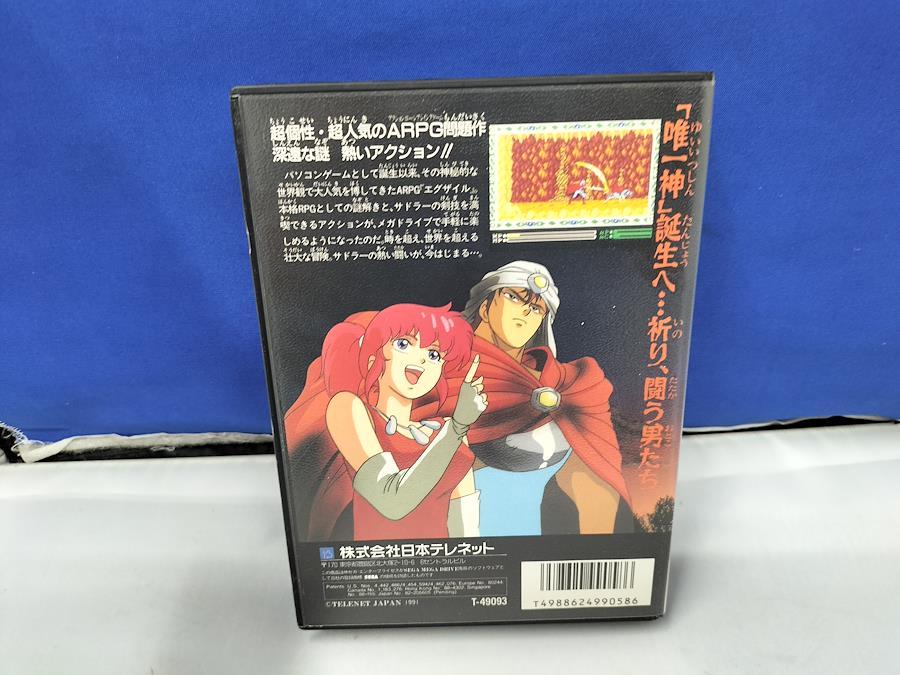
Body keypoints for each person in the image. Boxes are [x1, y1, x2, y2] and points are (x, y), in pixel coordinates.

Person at [415, 262, 632, 536]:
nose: (527, 311)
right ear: (485, 307)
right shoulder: (438, 369)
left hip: (536, 534)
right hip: (456, 527)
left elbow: (595, 475)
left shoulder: (569, 383)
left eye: (537, 308)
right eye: (514, 297)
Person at [284, 304, 487, 541]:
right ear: (373, 357)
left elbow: (466, 530)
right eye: (403, 344)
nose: (421, 359)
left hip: (440, 560)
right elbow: (391, 501)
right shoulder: (350, 408)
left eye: (434, 355)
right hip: (380, 558)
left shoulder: (448, 432)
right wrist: (458, 426)